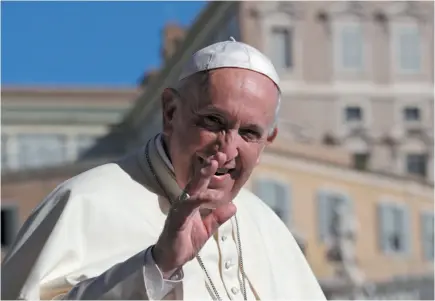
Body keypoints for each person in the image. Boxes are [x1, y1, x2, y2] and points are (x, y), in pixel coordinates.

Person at [1, 38, 326, 300]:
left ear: (267, 141)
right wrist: (156, 267)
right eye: (213, 122)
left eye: (249, 133)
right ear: (170, 113)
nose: (227, 151)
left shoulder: (269, 227)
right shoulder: (83, 201)